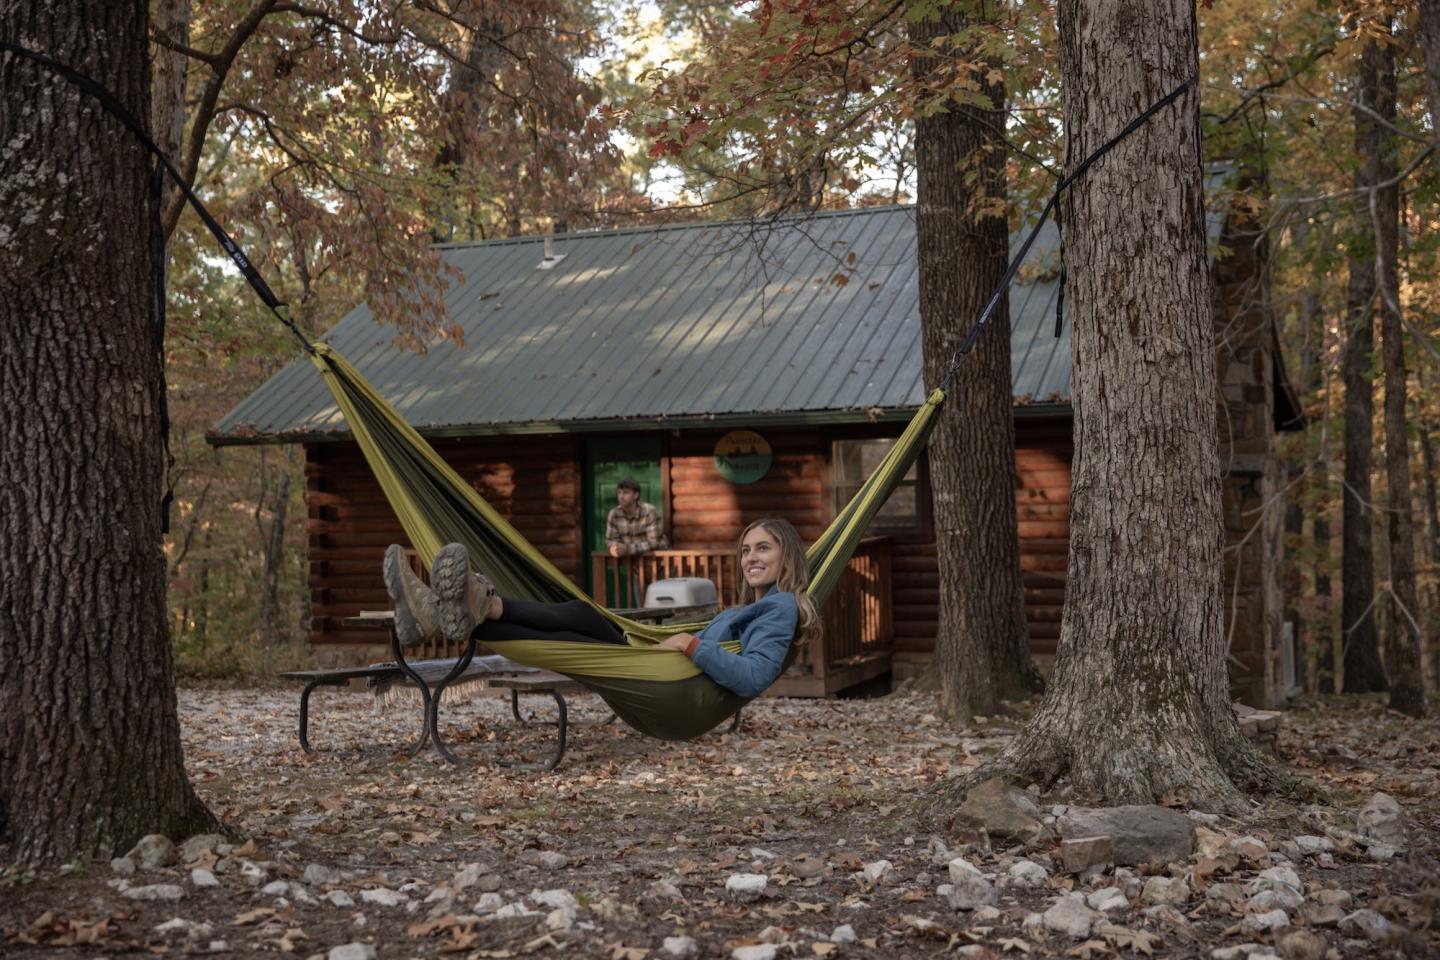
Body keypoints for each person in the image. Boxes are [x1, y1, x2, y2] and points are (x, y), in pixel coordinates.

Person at [382, 519, 821, 699]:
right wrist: (689, 641)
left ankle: (458, 608)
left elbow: (754, 678)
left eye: (763, 548)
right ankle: (455, 610)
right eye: (745, 550)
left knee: (575, 633)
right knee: (581, 617)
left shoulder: (780, 608)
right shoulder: (756, 605)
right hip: (661, 666)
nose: (750, 557)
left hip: (670, 680)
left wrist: (690, 645)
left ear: (789, 557)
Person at [604, 478, 668, 557]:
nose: (621, 496)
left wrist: (627, 549)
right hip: (633, 562)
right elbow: (610, 539)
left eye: (625, 493)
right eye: (619, 493)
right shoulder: (614, 514)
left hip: (658, 559)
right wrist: (614, 548)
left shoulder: (649, 511)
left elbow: (653, 542)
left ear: (636, 495)